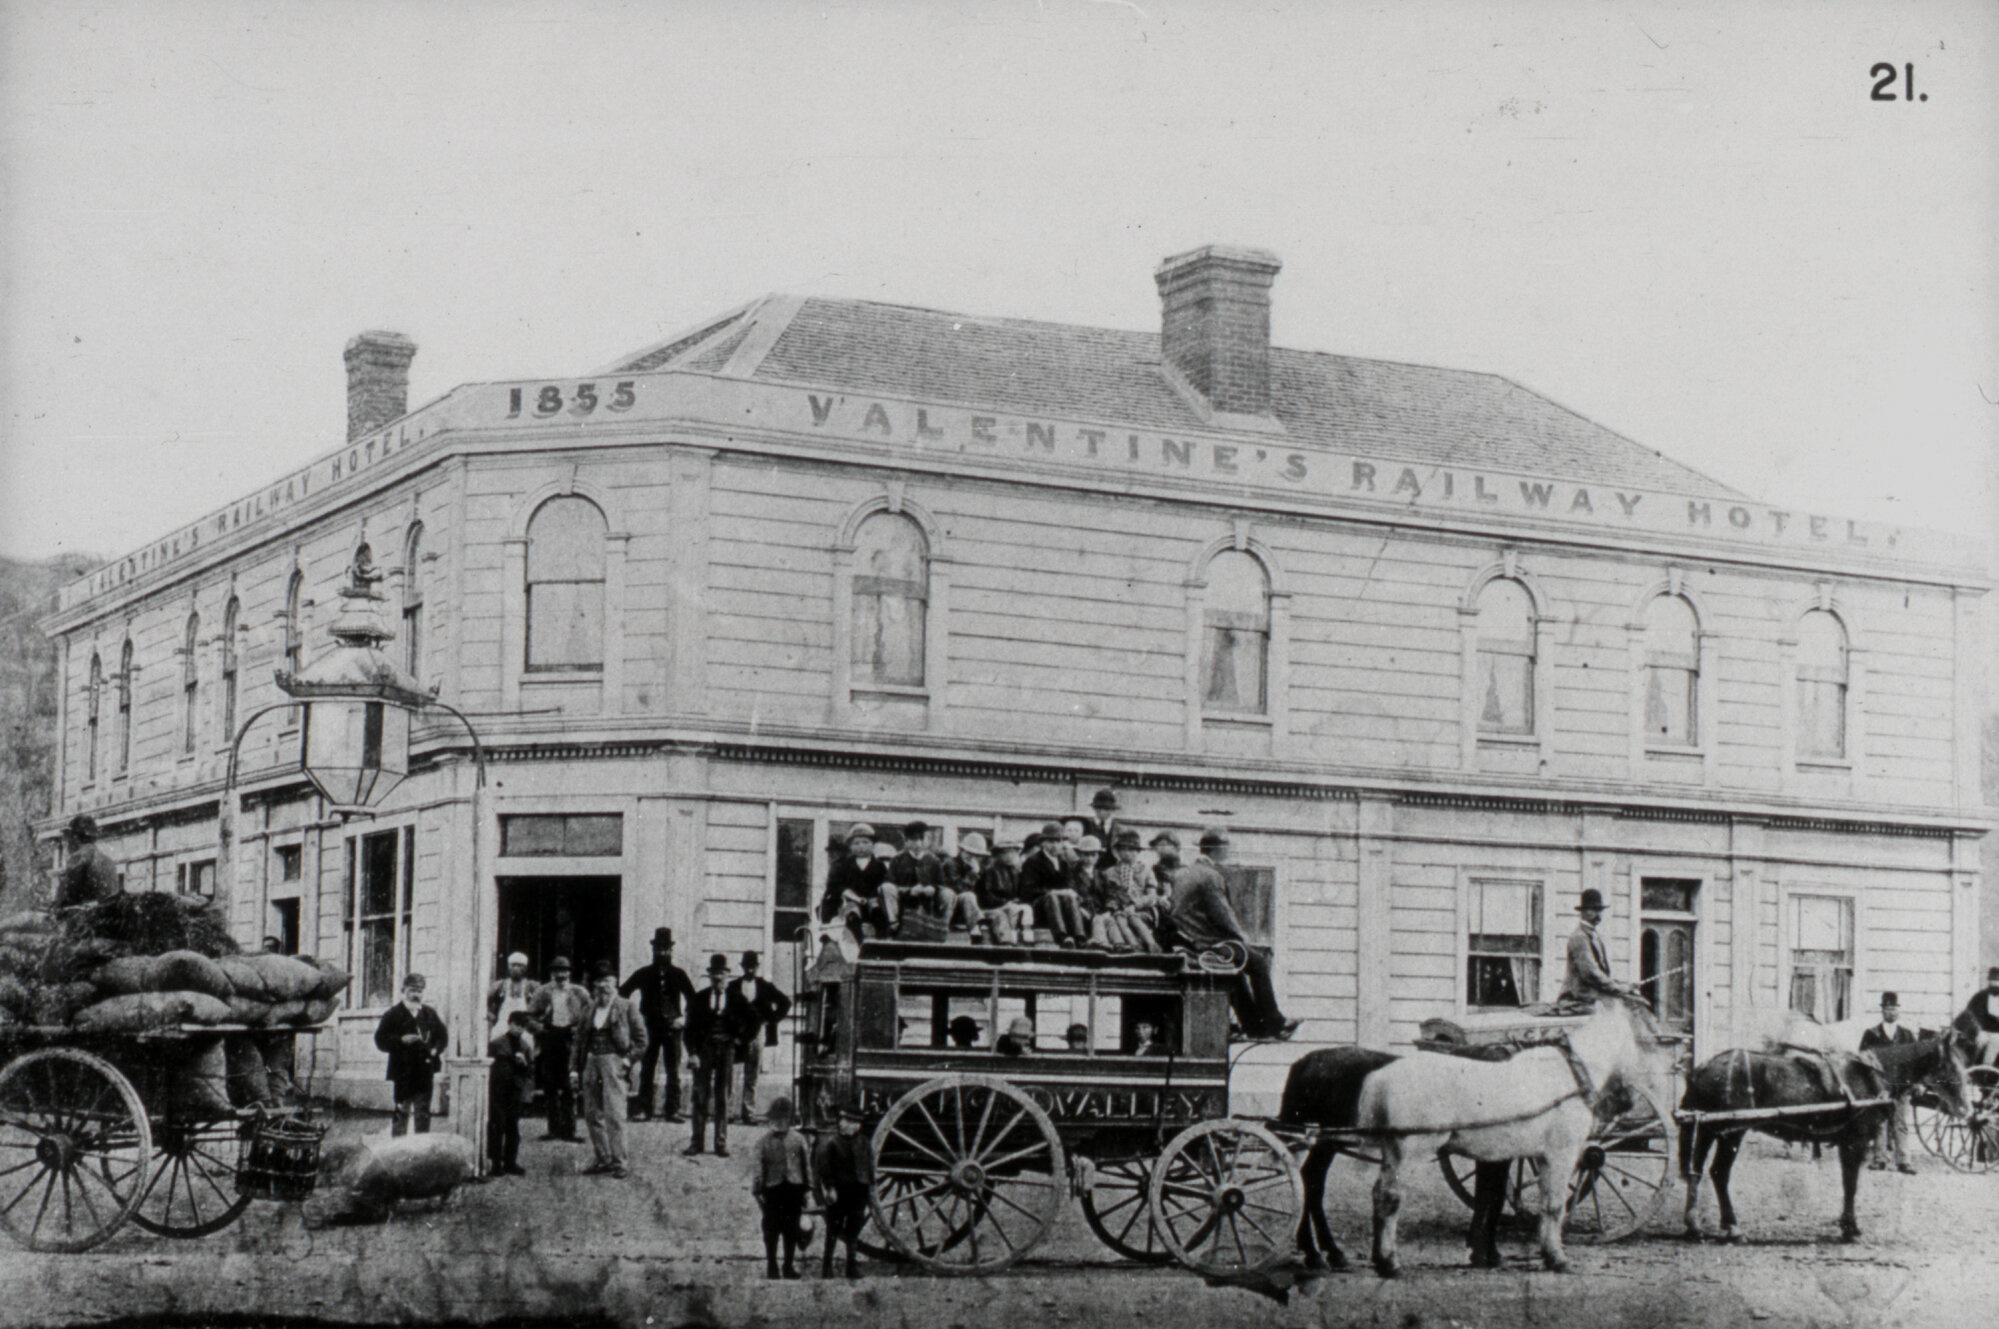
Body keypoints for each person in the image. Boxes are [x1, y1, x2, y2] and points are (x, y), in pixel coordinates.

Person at [1168, 828, 1298, 1040]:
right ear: (1218, 850)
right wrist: (1244, 940)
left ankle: (1254, 1027)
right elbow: (1223, 916)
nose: (1228, 853)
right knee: (1259, 962)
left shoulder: (1182, 873)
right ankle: (1275, 1022)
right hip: (1209, 944)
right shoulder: (1210, 876)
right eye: (1226, 848)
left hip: (1189, 942)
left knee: (1235, 974)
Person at [573, 962, 647, 1179]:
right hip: (590, 1062)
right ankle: (602, 1158)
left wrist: (626, 1062)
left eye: (607, 981)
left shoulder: (627, 1007)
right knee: (591, 1113)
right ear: (593, 986)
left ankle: (620, 1161)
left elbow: (642, 1041)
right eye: (598, 982)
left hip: (614, 1062)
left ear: (615, 984)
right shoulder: (588, 1009)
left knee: (615, 1113)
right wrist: (574, 1070)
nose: (603, 987)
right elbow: (578, 1042)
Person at [620, 928, 697, 1121]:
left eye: (666, 949)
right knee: (647, 1069)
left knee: (673, 1070)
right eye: (659, 949)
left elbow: (693, 1000)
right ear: (653, 950)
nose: (662, 953)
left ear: (671, 951)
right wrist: (634, 1020)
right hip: (650, 1028)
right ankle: (645, 1110)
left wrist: (684, 1020)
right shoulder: (644, 973)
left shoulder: (679, 974)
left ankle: (672, 1110)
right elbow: (623, 993)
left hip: (673, 1028)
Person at [685, 954, 748, 1157]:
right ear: (709, 975)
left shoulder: (737, 998)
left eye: (721, 973)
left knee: (722, 1096)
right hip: (704, 1051)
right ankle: (696, 1143)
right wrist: (693, 1053)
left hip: (726, 1051)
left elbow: (754, 1020)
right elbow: (689, 1029)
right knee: (700, 1095)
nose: (718, 978)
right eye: (714, 973)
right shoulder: (699, 998)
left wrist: (740, 1039)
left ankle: (721, 1143)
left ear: (727, 976)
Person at [372, 972, 448, 1136]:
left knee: (423, 1112)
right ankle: (398, 1150)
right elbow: (380, 1039)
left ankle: (421, 1151)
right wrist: (400, 1040)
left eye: (420, 991)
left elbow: (442, 1036)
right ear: (403, 990)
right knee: (402, 1111)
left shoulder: (429, 1014)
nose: (416, 995)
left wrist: (435, 1050)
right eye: (413, 990)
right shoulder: (393, 1014)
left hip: (424, 1071)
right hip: (403, 1071)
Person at [528, 957, 591, 1141]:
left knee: (570, 1085)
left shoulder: (580, 993)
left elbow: (590, 1015)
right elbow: (529, 1016)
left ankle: (570, 1130)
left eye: (564, 971)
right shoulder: (543, 992)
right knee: (550, 1086)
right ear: (551, 973)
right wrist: (540, 1028)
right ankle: (553, 1129)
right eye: (557, 971)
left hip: (570, 1040)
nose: (561, 975)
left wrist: (578, 1030)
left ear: (570, 973)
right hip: (550, 1038)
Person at [752, 1096, 813, 1279]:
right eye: (775, 1120)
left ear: (790, 1120)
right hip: (772, 1189)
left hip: (794, 1189)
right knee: (771, 1229)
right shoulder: (763, 1142)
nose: (778, 1124)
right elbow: (758, 1168)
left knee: (792, 1229)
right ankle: (772, 1265)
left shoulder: (798, 1139)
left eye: (783, 1119)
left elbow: (806, 1165)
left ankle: (788, 1266)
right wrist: (757, 1190)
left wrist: (808, 1188)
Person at [729, 951, 793, 1125]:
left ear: (757, 967)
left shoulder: (765, 986)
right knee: (732, 1073)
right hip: (738, 1034)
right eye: (747, 966)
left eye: (753, 966)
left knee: (752, 1074)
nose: (750, 969)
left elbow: (785, 1002)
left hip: (757, 1033)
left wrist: (771, 1020)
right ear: (742, 967)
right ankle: (728, 1112)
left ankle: (748, 1113)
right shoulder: (733, 986)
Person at [1859, 992, 1917, 1174]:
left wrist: (1911, 1083)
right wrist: (1875, 1084)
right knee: (1880, 1123)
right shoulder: (1871, 1034)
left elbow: (1914, 1062)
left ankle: (1904, 1161)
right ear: (1882, 1010)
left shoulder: (1907, 1035)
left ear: (1898, 1010)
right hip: (1879, 1086)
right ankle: (1880, 1159)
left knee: (1900, 1123)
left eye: (1894, 1009)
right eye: (1887, 1009)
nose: (1891, 1012)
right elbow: (1864, 1059)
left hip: (1901, 1086)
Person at [814, 1106, 873, 1279]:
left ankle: (851, 1267)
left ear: (857, 1125)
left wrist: (870, 1187)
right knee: (834, 1228)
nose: (842, 1124)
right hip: (840, 1191)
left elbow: (870, 1165)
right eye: (842, 1120)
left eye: (847, 1121)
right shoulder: (833, 1143)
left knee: (854, 1229)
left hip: (859, 1191)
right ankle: (827, 1267)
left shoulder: (863, 1142)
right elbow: (825, 1168)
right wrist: (830, 1188)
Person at [1559, 889, 1634, 1006]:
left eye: (1600, 910)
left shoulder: (1595, 936)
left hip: (1595, 994)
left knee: (1636, 1001)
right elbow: (1590, 973)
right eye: (1593, 910)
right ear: (1583, 912)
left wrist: (1622, 986)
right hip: (1580, 996)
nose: (1598, 915)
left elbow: (1602, 971)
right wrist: (1618, 989)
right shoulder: (1579, 937)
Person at [1092, 829, 1162, 952]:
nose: (1126, 853)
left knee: (1131, 918)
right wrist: (1114, 907)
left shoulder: (1146, 870)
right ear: (1117, 852)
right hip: (1118, 911)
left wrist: (1135, 904)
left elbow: (1152, 896)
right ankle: (1125, 945)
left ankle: (1148, 944)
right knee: (1114, 919)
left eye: (1131, 850)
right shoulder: (1110, 872)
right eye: (1123, 850)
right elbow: (1109, 896)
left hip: (1142, 911)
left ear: (1138, 851)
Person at [487, 1009, 535, 1176]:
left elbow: (531, 1071)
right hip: (498, 1089)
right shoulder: (496, 1044)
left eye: (522, 1026)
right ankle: (495, 1163)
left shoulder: (525, 1046)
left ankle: (510, 1162)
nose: (519, 1029)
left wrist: (524, 1064)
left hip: (515, 1090)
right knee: (497, 1125)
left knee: (513, 1127)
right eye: (516, 1025)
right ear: (509, 1024)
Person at [1020, 824, 1086, 945]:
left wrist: (1069, 892)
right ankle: (1062, 936)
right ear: (1043, 843)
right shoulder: (1033, 861)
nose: (1055, 846)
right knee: (1052, 897)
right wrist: (1052, 892)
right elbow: (1027, 890)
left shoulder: (1063, 862)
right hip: (1040, 906)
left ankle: (1079, 935)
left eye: (1058, 841)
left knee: (1071, 896)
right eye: (1051, 841)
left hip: (1061, 905)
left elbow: (1070, 884)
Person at [822, 824, 891, 937]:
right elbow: (835, 886)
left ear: (873, 845)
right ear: (850, 846)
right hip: (849, 903)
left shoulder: (880, 867)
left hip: (873, 904)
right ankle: (860, 944)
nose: (861, 847)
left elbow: (884, 885)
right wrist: (854, 897)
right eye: (856, 843)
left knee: (879, 917)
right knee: (852, 917)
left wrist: (873, 899)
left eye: (865, 842)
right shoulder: (843, 865)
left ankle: (878, 945)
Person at [974, 837, 1034, 945]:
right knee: (1008, 911)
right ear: (999, 855)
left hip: (1010, 905)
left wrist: (1017, 900)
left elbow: (1021, 892)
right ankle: (1008, 941)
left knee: (1024, 909)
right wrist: (1004, 902)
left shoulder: (1016, 872)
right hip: (993, 908)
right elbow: (986, 896)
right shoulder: (990, 872)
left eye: (1013, 852)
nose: (1010, 855)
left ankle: (1025, 937)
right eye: (1006, 852)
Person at [56, 814, 122, 910]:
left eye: (68, 837)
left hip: (86, 917)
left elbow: (68, 895)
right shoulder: (108, 860)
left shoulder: (78, 857)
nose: (67, 842)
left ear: (75, 837)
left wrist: (56, 905)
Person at [487, 951, 542, 1043]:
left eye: (519, 966)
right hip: (503, 1023)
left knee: (526, 1044)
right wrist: (490, 1013)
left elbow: (541, 1002)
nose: (516, 968)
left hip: (524, 1025)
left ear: (525, 968)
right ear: (509, 967)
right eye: (513, 965)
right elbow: (489, 999)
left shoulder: (532, 986)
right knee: (498, 1042)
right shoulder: (500, 985)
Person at [1952, 967, 1999, 1066]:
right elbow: (1968, 1013)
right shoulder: (1980, 997)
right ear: (1989, 981)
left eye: (1997, 981)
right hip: (1982, 1031)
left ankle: (1987, 1069)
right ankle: (1971, 1066)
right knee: (1978, 1042)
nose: (1995, 984)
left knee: (1995, 1043)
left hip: (1997, 1033)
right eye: (1993, 981)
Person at [1082, 789, 1125, 871]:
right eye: (1098, 808)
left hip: (1112, 870)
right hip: (1090, 870)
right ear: (1094, 809)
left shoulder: (1120, 830)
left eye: (1106, 809)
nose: (1102, 812)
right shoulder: (1086, 825)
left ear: (1112, 810)